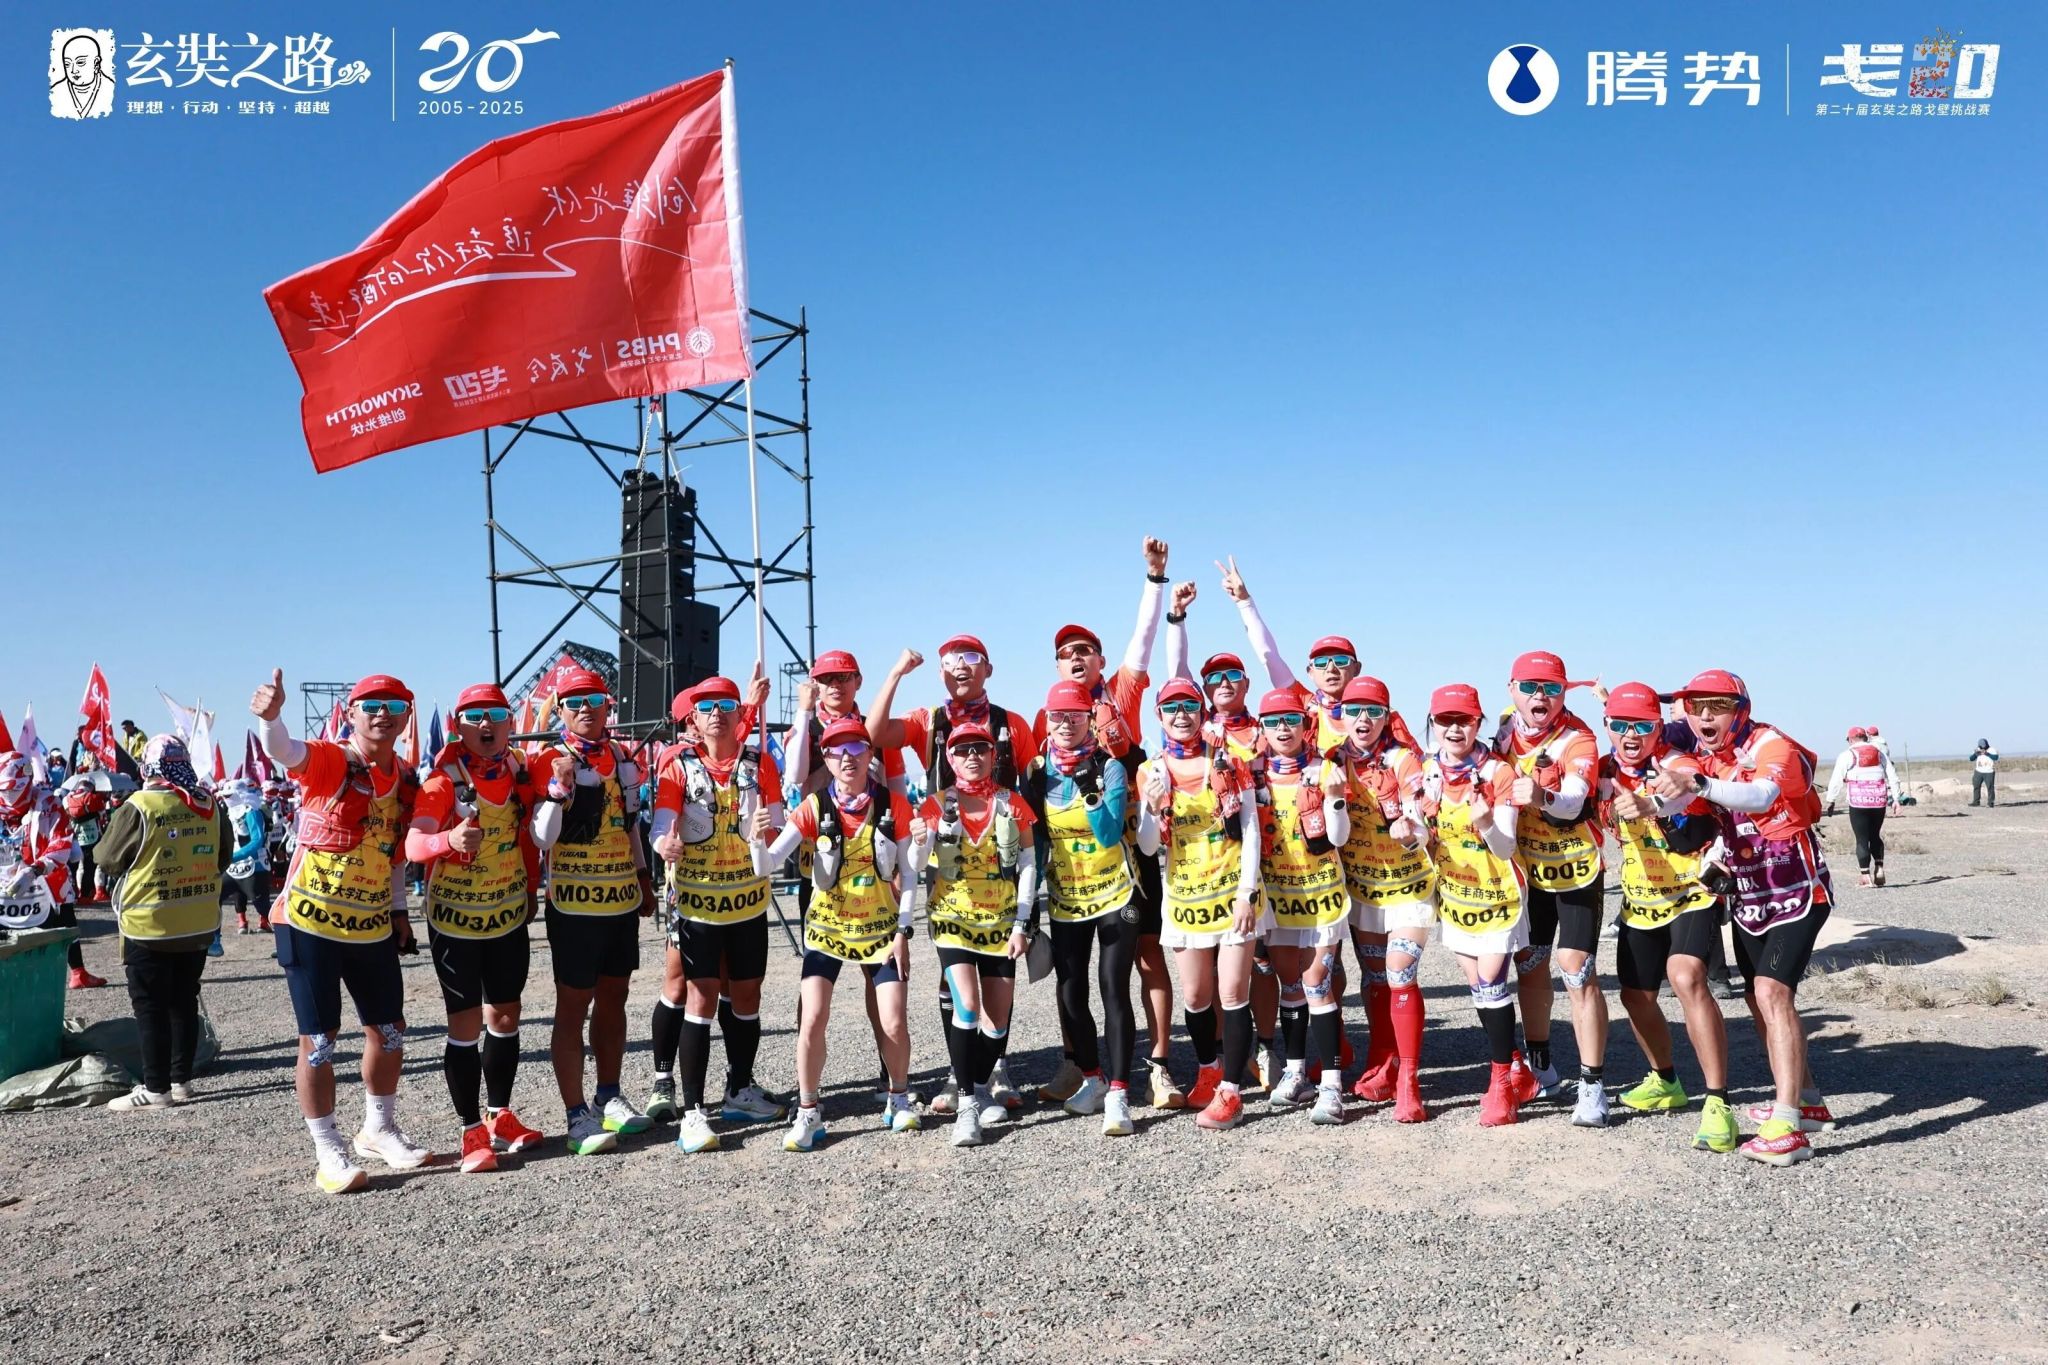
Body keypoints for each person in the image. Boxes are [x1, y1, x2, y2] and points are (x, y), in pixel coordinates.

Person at [254, 670, 431, 1194]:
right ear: (351, 713)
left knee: (389, 1030)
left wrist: (399, 913)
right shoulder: (334, 759)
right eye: (370, 705)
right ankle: (327, 1147)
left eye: (393, 706)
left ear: (406, 717)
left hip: (371, 926)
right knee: (319, 1039)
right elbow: (285, 752)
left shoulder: (405, 777)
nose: (382, 714)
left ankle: (378, 1128)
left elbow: (394, 856)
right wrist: (271, 719)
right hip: (310, 923)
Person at [1653, 670, 1835, 1167]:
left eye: (1717, 706)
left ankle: (1787, 1127)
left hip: (1798, 892)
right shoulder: (1703, 756)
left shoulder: (1769, 744)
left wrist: (1700, 783)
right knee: (1759, 1001)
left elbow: (1762, 795)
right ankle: (1807, 1102)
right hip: (1750, 897)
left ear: (1741, 710)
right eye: (1695, 707)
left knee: (1772, 993)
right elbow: (1680, 791)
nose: (1704, 716)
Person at [1031, 536, 1180, 1112]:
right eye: (1066, 652)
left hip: (1132, 839)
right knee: (1072, 972)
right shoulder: (1050, 719)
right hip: (1074, 862)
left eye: (1086, 650)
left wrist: (1154, 579)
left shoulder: (1119, 692)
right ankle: (1080, 1065)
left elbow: (1143, 640)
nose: (1076, 657)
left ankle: (1159, 1066)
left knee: (1145, 957)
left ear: (1100, 660)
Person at [865, 638, 1040, 1088]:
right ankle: (959, 1076)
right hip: (946, 855)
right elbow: (874, 733)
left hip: (1001, 863)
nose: (960, 667)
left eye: (971, 659)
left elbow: (1033, 788)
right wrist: (896, 673)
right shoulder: (929, 720)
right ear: (940, 672)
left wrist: (1031, 879)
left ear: (989, 669)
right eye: (950, 661)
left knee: (999, 979)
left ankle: (994, 1069)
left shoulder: (1012, 723)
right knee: (955, 978)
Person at [754, 716, 928, 1150]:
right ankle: (808, 1112)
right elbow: (767, 864)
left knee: (894, 1020)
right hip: (827, 931)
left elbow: (910, 875)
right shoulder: (813, 807)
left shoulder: (893, 804)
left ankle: (898, 1097)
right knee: (812, 1018)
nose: (847, 758)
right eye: (836, 751)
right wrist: (756, 839)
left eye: (856, 749)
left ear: (870, 755)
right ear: (826, 759)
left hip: (881, 930)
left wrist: (904, 932)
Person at [402, 685, 548, 1174]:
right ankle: (470, 1131)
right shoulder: (442, 782)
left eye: (496, 715)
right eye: (474, 717)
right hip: (456, 923)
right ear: (458, 726)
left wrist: (532, 887)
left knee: (505, 1015)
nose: (486, 725)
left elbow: (525, 836)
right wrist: (448, 839)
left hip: (506, 915)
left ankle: (499, 1114)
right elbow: (414, 845)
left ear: (509, 723)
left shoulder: (518, 771)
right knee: (464, 1025)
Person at [647, 675, 788, 1154]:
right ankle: (691, 1112)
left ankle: (739, 1089)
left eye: (727, 706)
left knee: (747, 996)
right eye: (707, 708)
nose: (717, 716)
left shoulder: (760, 763)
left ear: (738, 714)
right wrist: (663, 844)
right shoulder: (678, 766)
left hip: (747, 903)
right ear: (694, 717)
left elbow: (779, 830)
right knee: (700, 997)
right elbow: (662, 825)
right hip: (698, 906)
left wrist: (768, 833)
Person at [1597, 683, 1739, 1154]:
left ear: (1659, 727)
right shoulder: (1604, 770)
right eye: (1620, 725)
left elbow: (1681, 789)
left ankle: (1718, 1103)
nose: (1630, 735)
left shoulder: (1677, 762)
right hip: (1641, 897)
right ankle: (1666, 1080)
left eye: (1642, 725)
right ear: (1607, 726)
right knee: (1635, 996)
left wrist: (1649, 804)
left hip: (1690, 892)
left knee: (1686, 976)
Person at [528, 667, 659, 1156]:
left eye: (595, 700)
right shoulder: (548, 758)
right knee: (573, 1005)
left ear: (609, 706)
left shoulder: (622, 756)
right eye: (575, 702)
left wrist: (643, 877)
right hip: (574, 904)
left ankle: (609, 1095)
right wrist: (559, 790)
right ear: (560, 710)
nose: (586, 708)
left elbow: (630, 826)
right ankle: (575, 1114)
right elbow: (542, 838)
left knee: (614, 1000)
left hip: (619, 898)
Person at [1134, 678, 1262, 1131]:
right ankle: (1208, 1070)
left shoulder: (1229, 760)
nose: (1181, 715)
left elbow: (1251, 829)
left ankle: (1231, 1093)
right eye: (1171, 708)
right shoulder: (1151, 770)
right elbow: (1148, 847)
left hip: (1233, 895)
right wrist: (1150, 808)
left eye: (1189, 705)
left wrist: (1247, 892)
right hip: (1185, 899)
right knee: (1195, 995)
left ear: (1202, 710)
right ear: (1159, 715)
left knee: (1233, 992)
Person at [1018, 678, 1140, 1134]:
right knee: (1070, 993)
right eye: (1057, 716)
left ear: (1090, 718)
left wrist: (1089, 791)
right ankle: (1092, 1078)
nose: (1066, 724)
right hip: (1067, 897)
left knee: (1113, 987)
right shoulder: (1036, 772)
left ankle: (1120, 1093)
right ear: (1046, 721)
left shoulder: (1109, 767)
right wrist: (1026, 906)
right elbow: (1035, 840)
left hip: (1114, 891)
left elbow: (1108, 834)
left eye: (1075, 716)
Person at [1497, 651, 1611, 1126]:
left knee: (1576, 968)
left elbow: (1574, 800)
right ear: (1512, 690)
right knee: (1529, 964)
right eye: (1529, 686)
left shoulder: (1577, 737)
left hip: (1576, 868)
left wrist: (1542, 796)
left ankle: (1593, 1086)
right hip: (1530, 870)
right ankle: (1541, 1065)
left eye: (1551, 687)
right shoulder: (1506, 727)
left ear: (1565, 692)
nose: (1539, 695)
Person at [92, 736, 231, 1109]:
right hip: (198, 922)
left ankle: (156, 1089)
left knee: (150, 1006)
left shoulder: (140, 806)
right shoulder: (209, 803)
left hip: (149, 924)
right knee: (184, 1000)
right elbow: (223, 856)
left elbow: (107, 858)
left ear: (148, 767)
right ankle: (181, 1080)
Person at [1418, 684, 1535, 1127]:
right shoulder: (1429, 771)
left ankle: (1501, 1086)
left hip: (1500, 894)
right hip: (1456, 895)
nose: (1454, 728)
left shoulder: (1498, 772)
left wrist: (1485, 821)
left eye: (1464, 720)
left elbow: (1505, 848)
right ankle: (1518, 1068)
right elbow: (1424, 833)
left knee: (1491, 985)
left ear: (1478, 723)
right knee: (1480, 992)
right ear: (1433, 724)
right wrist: (1411, 834)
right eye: (1445, 720)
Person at [917, 720, 1038, 1146]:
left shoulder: (1012, 802)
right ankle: (967, 1105)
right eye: (963, 749)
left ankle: (980, 1085)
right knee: (967, 1006)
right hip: (952, 920)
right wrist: (920, 840)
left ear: (993, 755)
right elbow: (917, 864)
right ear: (949, 758)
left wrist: (1022, 922)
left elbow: (1028, 864)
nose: (972, 756)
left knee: (998, 1019)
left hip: (1001, 922)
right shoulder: (935, 805)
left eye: (980, 749)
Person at [1329, 677, 1434, 1122]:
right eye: (1354, 710)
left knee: (1399, 972)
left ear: (1386, 716)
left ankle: (1409, 1081)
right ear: (1341, 716)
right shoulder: (1331, 760)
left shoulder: (1403, 759)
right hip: (1364, 889)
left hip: (1410, 886)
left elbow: (1420, 819)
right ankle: (1382, 1061)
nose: (1363, 719)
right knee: (1374, 978)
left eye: (1373, 711)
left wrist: (1410, 832)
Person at [1250, 689, 1352, 1124]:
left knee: (1317, 984)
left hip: (1321, 895)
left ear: (1305, 725)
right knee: (1289, 986)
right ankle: (1295, 1073)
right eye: (1273, 721)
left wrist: (1335, 798)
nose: (1282, 728)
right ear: (1261, 727)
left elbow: (1340, 837)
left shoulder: (1323, 769)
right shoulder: (1252, 773)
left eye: (1291, 719)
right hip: (1277, 896)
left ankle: (1332, 1085)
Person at [2, 750, 100, 987]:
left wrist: (35, 870)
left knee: (64, 922)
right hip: (6, 884)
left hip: (47, 879)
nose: (8, 795)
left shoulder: (49, 804)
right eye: (3, 790)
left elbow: (61, 842)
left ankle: (78, 972)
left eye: (14, 789)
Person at [1825, 728, 1903, 887]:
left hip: (1858, 802)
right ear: (1865, 738)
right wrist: (1896, 799)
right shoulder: (1880, 753)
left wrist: (1831, 800)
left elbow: (1836, 779)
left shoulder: (1847, 755)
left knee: (1861, 839)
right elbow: (1893, 776)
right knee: (1875, 835)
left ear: (1850, 739)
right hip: (1878, 800)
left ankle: (1865, 876)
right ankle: (1879, 868)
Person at [218, 778, 274, 933]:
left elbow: (257, 841)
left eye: (229, 796)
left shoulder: (252, 812)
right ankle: (215, 937)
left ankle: (286, 936)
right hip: (233, 869)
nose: (226, 799)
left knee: (264, 907)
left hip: (254, 867)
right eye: (225, 796)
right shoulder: (230, 812)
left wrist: (233, 856)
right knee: (215, 896)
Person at [1971, 739, 1998, 808]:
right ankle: (1976, 802)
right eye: (1981, 746)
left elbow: (1996, 758)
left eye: (1984, 746)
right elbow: (1971, 758)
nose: (1982, 748)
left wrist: (1987, 754)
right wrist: (1975, 754)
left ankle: (1990, 803)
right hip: (1978, 771)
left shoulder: (1992, 749)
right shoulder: (1977, 749)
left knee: (1990, 787)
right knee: (1976, 786)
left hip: (1989, 772)